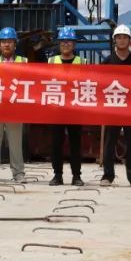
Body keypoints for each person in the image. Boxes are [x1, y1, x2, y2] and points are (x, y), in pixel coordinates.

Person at [100, 25, 131, 188]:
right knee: (109, 142)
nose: (122, 40)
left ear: (130, 40)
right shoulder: (107, 62)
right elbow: (100, 84)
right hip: (112, 108)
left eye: (125, 37)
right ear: (114, 40)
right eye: (119, 37)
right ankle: (107, 175)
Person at [0, 27, 26, 182]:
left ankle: (18, 173)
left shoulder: (24, 62)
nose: (6, 44)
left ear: (15, 44)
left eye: (10, 41)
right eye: (3, 42)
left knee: (15, 142)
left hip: (15, 107)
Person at [48, 26, 84, 187]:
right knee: (56, 143)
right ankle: (57, 175)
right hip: (57, 109)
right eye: (63, 41)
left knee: (75, 143)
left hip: (75, 109)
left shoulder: (82, 62)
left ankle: (76, 176)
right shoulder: (51, 61)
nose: (66, 44)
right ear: (59, 43)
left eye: (69, 41)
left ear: (74, 44)